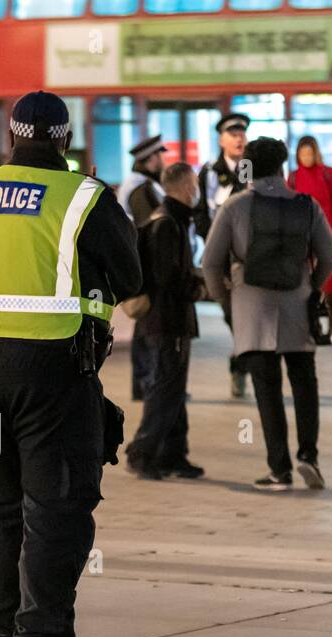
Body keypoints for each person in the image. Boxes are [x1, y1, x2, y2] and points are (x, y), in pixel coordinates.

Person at [0, 90, 140, 637]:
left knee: (5, 513)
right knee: (55, 515)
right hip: (54, 371)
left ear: (10, 134)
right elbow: (132, 280)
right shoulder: (83, 195)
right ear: (65, 137)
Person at [201, 137, 332, 492]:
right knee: (305, 383)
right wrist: (312, 284)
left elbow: (211, 263)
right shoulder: (306, 206)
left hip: (252, 308)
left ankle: (279, 469)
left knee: (267, 388)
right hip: (297, 304)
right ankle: (309, 455)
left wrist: (226, 303)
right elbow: (331, 253)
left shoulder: (234, 207)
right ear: (282, 167)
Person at [125, 163, 206, 482]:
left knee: (173, 389)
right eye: (196, 184)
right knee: (164, 390)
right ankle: (141, 452)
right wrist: (198, 288)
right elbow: (167, 277)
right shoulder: (168, 224)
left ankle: (174, 454)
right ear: (187, 187)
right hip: (166, 320)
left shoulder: (166, 218)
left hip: (164, 321)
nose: (197, 190)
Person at [196, 112, 252, 399]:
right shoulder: (208, 173)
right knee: (234, 316)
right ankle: (241, 365)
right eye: (233, 134)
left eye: (242, 133)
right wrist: (213, 246)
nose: (239, 138)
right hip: (223, 259)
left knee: (249, 317)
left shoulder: (254, 170)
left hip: (251, 259)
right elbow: (201, 215)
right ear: (221, 139)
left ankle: (242, 367)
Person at [118, 133, 168, 403]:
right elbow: (150, 229)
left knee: (144, 326)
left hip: (140, 263)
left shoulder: (141, 184)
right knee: (150, 327)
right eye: (160, 155)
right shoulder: (142, 189)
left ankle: (145, 383)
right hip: (147, 266)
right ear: (150, 159)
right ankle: (147, 383)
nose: (163, 160)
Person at [289, 135, 332, 342]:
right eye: (302, 154)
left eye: (309, 153)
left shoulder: (328, 174)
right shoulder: (294, 177)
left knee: (330, 281)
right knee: (305, 282)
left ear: (316, 153)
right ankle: (310, 325)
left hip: (326, 233)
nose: (306, 157)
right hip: (303, 235)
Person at [117, 134, 166, 227]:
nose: (164, 159)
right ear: (153, 157)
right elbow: (146, 226)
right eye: (161, 154)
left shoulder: (142, 182)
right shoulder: (140, 186)